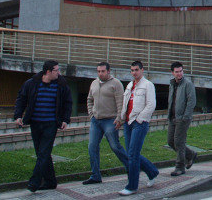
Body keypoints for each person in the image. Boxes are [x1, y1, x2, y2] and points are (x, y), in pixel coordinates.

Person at [14, 60, 72, 193]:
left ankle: (34, 182)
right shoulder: (32, 83)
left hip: (50, 124)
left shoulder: (61, 84)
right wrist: (18, 116)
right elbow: (21, 99)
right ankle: (51, 181)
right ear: (48, 72)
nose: (59, 73)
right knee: (41, 153)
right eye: (56, 70)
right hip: (35, 123)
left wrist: (65, 120)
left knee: (43, 153)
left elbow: (68, 103)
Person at [118, 60, 160, 196]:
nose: (134, 73)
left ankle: (132, 186)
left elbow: (151, 105)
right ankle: (152, 171)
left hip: (139, 123)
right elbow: (125, 104)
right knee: (131, 153)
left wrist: (139, 119)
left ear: (142, 70)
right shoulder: (130, 85)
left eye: (136, 70)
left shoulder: (148, 85)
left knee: (132, 154)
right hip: (128, 122)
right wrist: (121, 118)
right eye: (132, 70)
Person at [83, 61, 127, 185]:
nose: (100, 73)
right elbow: (89, 99)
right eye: (98, 71)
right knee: (92, 146)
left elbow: (120, 102)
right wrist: (91, 114)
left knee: (115, 146)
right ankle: (95, 175)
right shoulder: (94, 83)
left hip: (110, 120)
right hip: (96, 121)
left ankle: (131, 169)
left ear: (108, 71)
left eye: (103, 71)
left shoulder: (116, 83)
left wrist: (119, 118)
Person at [167, 61, 197, 176]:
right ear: (172, 73)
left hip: (183, 118)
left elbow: (191, 101)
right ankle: (190, 155)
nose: (179, 74)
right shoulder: (172, 84)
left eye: (181, 71)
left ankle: (180, 166)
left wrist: (186, 116)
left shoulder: (187, 84)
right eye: (176, 72)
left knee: (179, 142)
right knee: (170, 141)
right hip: (173, 117)